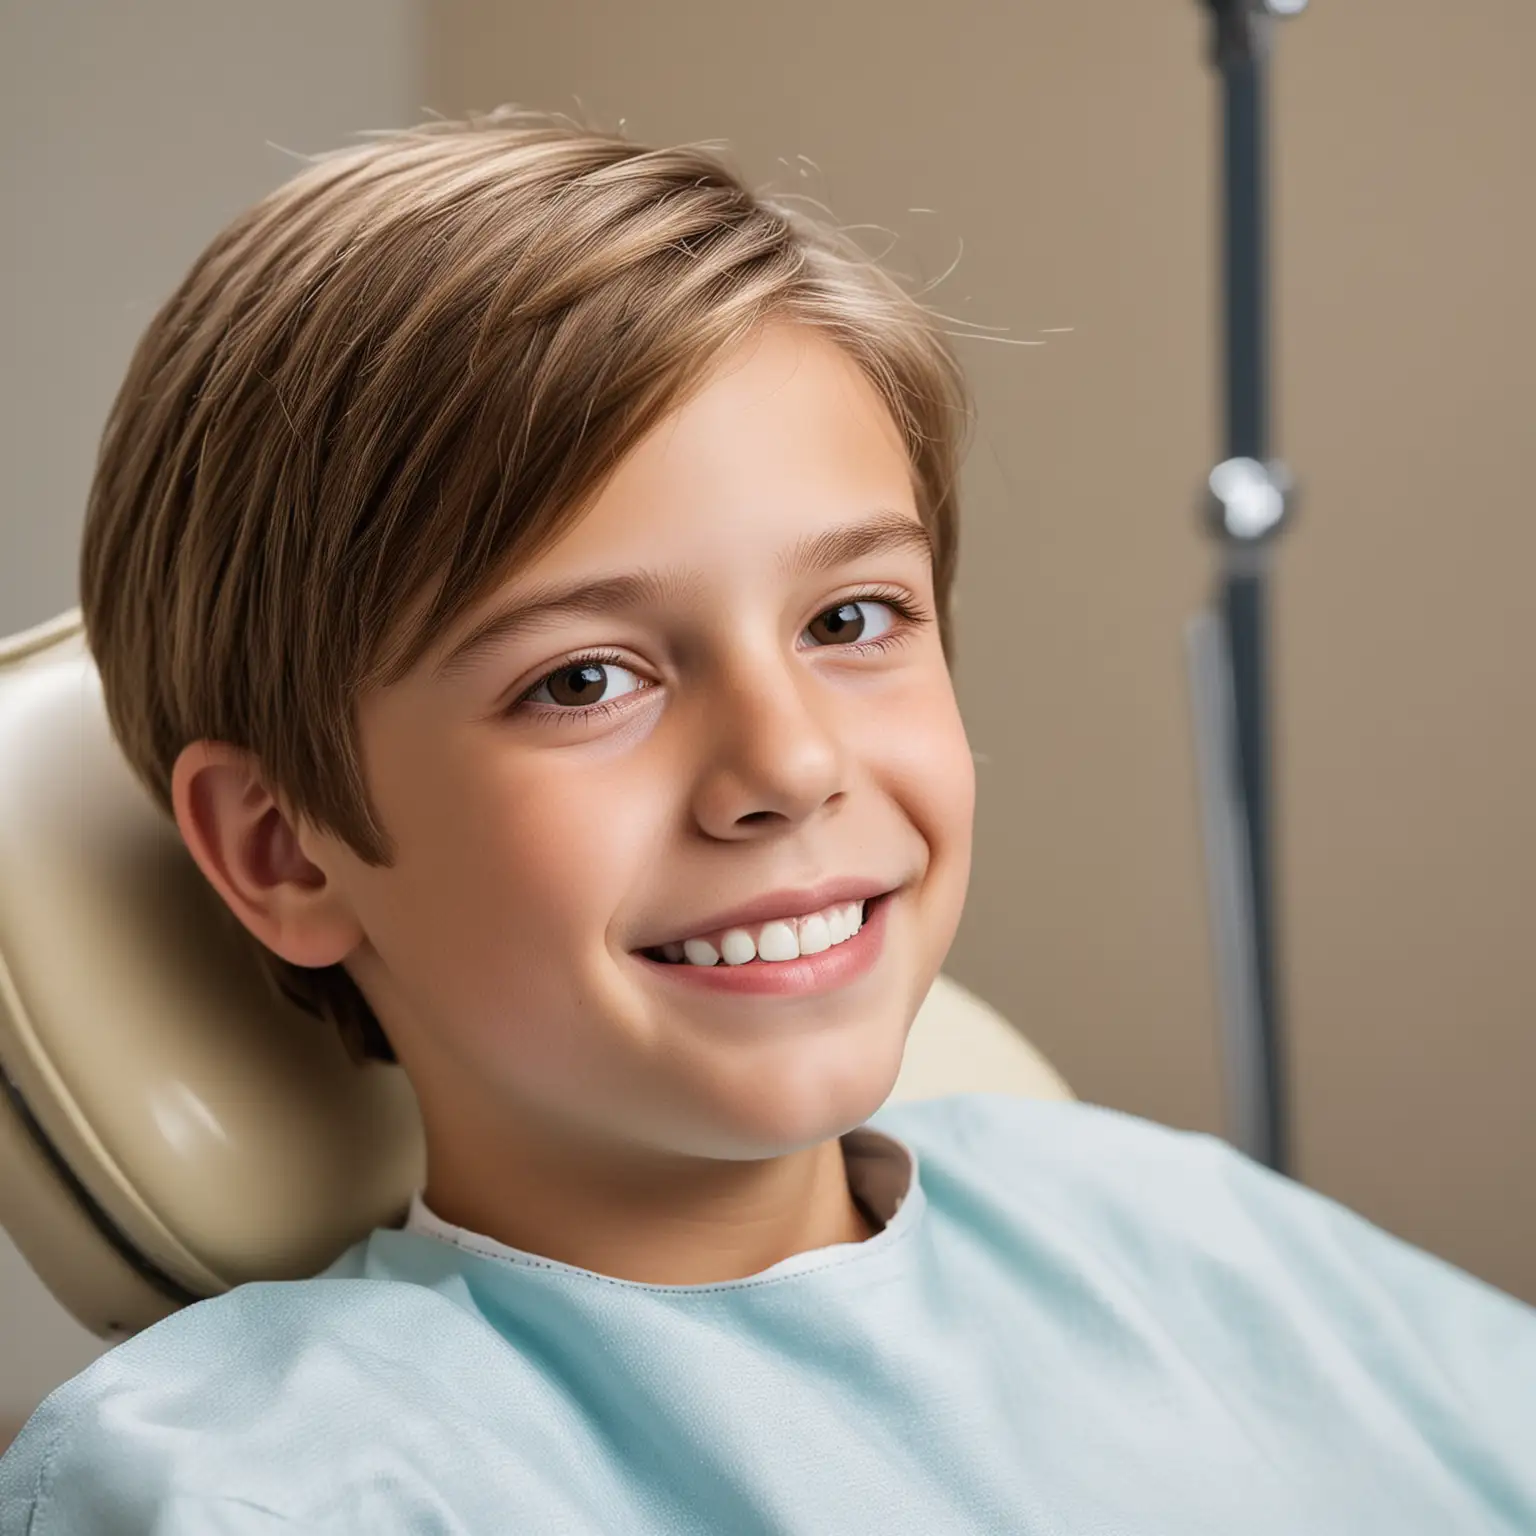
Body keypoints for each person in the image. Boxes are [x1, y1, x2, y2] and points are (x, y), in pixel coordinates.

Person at [1, 106, 1531, 1534]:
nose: (789, 766)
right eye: (585, 677)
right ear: (284, 845)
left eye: (854, 615)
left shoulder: (1172, 1231)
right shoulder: (266, 1485)